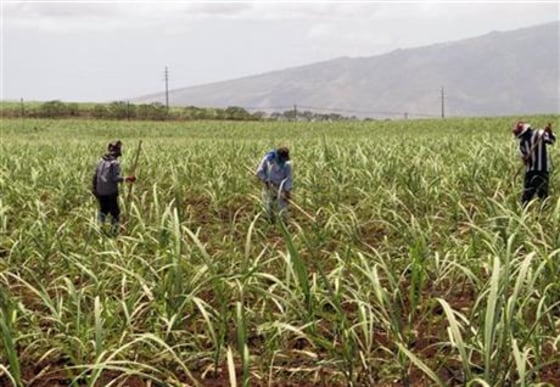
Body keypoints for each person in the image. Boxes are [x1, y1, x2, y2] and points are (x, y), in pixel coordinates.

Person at [91, 140, 136, 235]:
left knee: (103, 210)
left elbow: (95, 175)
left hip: (100, 191)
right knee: (115, 212)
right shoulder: (114, 163)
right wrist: (127, 178)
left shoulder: (101, 160)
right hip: (110, 192)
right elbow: (115, 179)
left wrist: (94, 189)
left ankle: (100, 229)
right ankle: (114, 232)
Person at [512, 121, 555, 207]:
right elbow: (523, 157)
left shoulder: (539, 134)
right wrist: (525, 158)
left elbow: (551, 140)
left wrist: (549, 132)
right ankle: (523, 212)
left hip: (542, 169)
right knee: (526, 195)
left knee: (542, 194)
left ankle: (543, 214)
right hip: (530, 170)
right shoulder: (522, 143)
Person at [256, 146, 293, 223]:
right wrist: (266, 181)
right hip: (269, 185)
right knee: (268, 204)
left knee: (283, 206)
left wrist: (287, 191)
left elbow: (288, 178)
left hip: (281, 187)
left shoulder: (287, 164)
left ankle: (284, 222)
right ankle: (269, 221)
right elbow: (260, 171)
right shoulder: (268, 160)